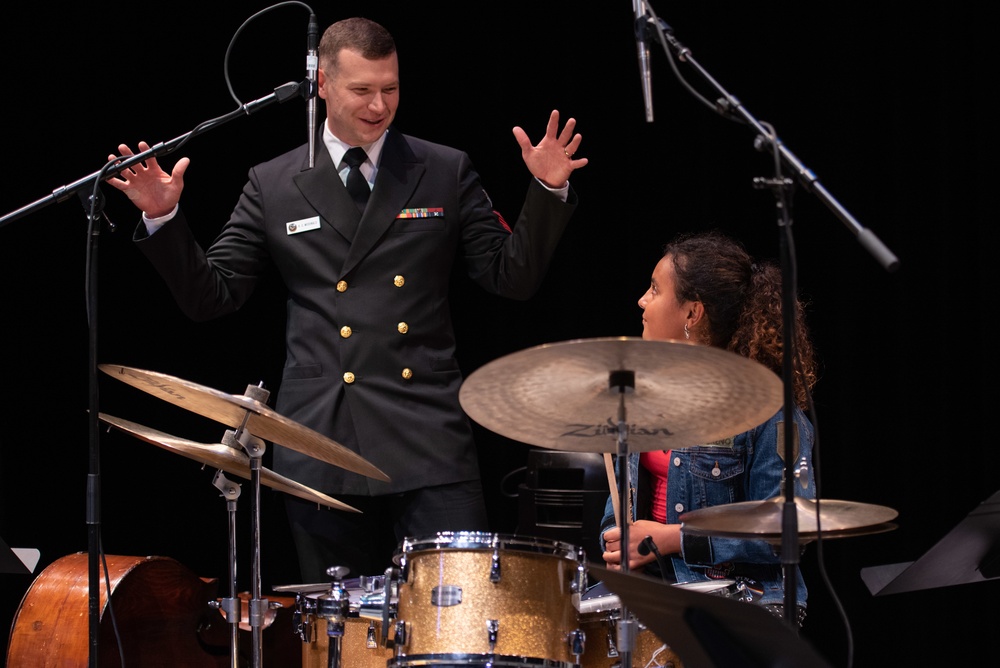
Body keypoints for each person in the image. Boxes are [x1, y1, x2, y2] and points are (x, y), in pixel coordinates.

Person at [106, 16, 587, 582]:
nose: (379, 106)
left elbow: (512, 278)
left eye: (391, 88)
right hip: (319, 438)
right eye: (362, 90)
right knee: (338, 635)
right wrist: (163, 217)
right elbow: (213, 296)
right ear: (323, 85)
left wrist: (548, 191)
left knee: (453, 613)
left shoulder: (442, 169)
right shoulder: (275, 182)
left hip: (427, 435)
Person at [599, 230, 818, 625]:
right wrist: (618, 542)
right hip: (653, 586)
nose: (642, 300)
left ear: (691, 313)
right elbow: (617, 509)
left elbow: (785, 533)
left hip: (741, 598)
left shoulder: (769, 412)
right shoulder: (641, 399)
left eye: (654, 289)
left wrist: (671, 540)